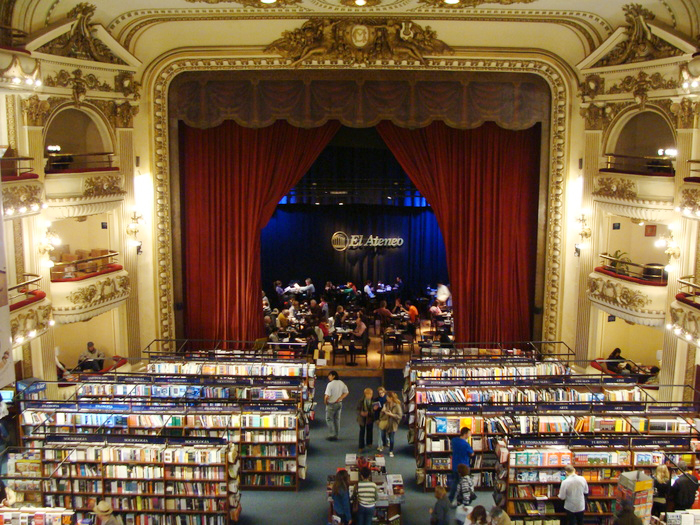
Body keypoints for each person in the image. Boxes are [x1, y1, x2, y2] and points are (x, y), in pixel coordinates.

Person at [449, 427, 474, 500]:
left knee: (455, 482)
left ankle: (451, 498)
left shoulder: (454, 440)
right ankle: (462, 499)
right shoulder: (466, 444)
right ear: (465, 434)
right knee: (464, 484)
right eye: (469, 433)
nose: (470, 435)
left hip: (455, 465)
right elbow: (472, 454)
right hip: (464, 467)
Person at [324, 371, 349, 441]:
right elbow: (346, 392)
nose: (328, 377)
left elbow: (327, 396)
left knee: (329, 419)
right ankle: (336, 435)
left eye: (330, 375)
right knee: (337, 420)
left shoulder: (330, 384)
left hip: (331, 404)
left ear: (333, 376)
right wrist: (340, 398)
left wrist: (325, 402)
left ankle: (332, 435)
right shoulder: (341, 383)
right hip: (339, 403)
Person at [378, 391, 402, 457]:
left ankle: (391, 451)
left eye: (387, 397)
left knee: (391, 438)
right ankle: (385, 443)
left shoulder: (397, 406)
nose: (386, 398)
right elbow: (381, 415)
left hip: (392, 424)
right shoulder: (386, 404)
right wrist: (382, 411)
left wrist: (391, 414)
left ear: (391, 398)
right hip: (385, 423)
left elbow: (399, 416)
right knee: (382, 435)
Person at [357, 388, 375, 453]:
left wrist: (369, 413)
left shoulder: (374, 401)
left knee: (370, 430)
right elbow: (358, 409)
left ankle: (369, 442)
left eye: (371, 394)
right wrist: (361, 413)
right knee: (362, 432)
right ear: (365, 394)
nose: (370, 395)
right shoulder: (361, 401)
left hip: (370, 418)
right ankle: (361, 446)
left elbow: (375, 411)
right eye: (368, 394)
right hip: (362, 418)